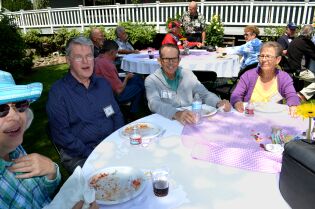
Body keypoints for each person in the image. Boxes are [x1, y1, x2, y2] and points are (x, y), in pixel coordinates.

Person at [0, 70, 98, 209]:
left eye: (19, 104)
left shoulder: (13, 148)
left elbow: (41, 196)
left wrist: (51, 172)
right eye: (1, 109)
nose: (15, 116)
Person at [46, 36, 124, 173]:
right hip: (80, 154)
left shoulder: (103, 84)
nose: (85, 62)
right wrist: (94, 153)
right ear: (68, 60)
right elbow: (62, 135)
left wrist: (117, 140)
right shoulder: (58, 93)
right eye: (78, 57)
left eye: (89, 56)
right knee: (110, 182)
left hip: (112, 145)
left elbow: (116, 114)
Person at [145, 44, 231, 125]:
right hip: (165, 121)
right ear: (160, 61)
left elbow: (204, 94)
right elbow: (154, 104)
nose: (171, 63)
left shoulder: (188, 75)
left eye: (174, 59)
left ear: (179, 60)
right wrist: (176, 114)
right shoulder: (152, 80)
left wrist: (218, 102)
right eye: (166, 59)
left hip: (190, 120)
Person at [231, 42, 300, 117]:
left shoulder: (284, 77)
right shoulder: (248, 75)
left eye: (268, 56)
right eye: (262, 56)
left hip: (273, 117)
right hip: (251, 116)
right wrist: (237, 102)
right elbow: (236, 94)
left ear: (278, 59)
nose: (264, 59)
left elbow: (291, 95)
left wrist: (293, 105)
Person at [95, 40, 145, 114]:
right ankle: (133, 111)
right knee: (139, 85)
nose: (116, 55)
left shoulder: (97, 59)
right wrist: (127, 77)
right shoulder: (108, 64)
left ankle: (133, 108)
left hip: (102, 90)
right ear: (111, 52)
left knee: (136, 77)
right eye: (116, 53)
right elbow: (119, 90)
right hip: (112, 95)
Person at [287, 24, 315, 101]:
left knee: (310, 80)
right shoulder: (305, 42)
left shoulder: (295, 40)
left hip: (293, 69)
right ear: (310, 34)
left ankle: (307, 96)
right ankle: (301, 94)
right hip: (300, 71)